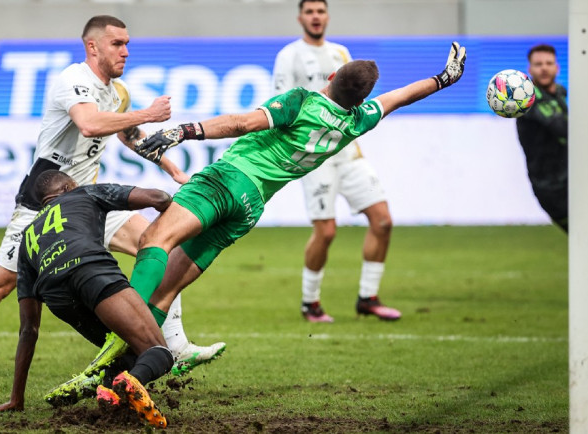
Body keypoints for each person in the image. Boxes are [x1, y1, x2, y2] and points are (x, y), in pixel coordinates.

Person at [0, 15, 225, 386]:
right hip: (43, 206)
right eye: (117, 44)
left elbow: (129, 135)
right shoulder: (73, 80)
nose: (126, 51)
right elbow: (91, 125)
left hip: (88, 203)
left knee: (157, 243)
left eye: (128, 44)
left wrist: (172, 169)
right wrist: (150, 113)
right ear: (92, 46)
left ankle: (175, 346)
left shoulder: (118, 93)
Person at [88, 42, 467, 364]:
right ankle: (132, 366)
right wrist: (443, 79)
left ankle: (120, 331)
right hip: (251, 206)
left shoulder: (301, 101)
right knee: (168, 290)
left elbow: (242, 124)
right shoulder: (358, 121)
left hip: (228, 180)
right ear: (362, 99)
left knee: (155, 241)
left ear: (331, 78)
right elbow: (399, 97)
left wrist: (184, 131)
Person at [0, 170, 171, 428]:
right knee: (158, 352)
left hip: (58, 297)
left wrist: (16, 398)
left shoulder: (27, 238)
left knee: (125, 351)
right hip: (91, 271)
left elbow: (28, 328)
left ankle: (112, 396)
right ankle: (129, 382)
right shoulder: (85, 192)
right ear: (69, 186)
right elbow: (159, 197)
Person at [272, 0, 400, 322]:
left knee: (383, 221)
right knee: (326, 232)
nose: (316, 17)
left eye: (321, 11)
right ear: (300, 17)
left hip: (349, 152)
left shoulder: (341, 52)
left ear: (327, 16)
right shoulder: (289, 56)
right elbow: (280, 103)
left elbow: (356, 101)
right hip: (317, 155)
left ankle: (368, 298)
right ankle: (310, 304)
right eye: (310, 12)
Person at [516, 44, 568, 233]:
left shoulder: (560, 93)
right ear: (530, 70)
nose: (544, 68)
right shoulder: (527, 100)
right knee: (585, 238)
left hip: (573, 177)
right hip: (552, 188)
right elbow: (563, 129)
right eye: (538, 64)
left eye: (549, 63)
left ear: (557, 67)